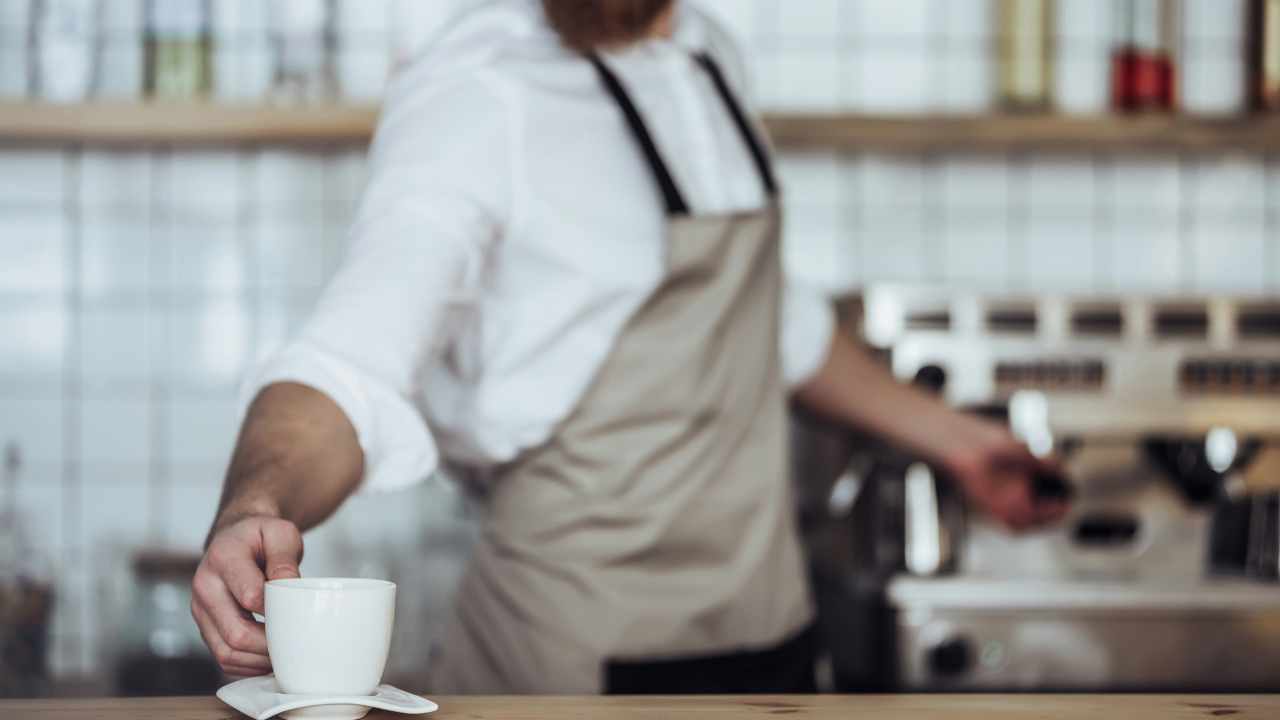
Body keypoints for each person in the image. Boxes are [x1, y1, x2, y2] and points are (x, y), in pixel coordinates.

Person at [191, 0, 1066, 695]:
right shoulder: (479, 92)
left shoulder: (711, 55)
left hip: (776, 644)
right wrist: (255, 507)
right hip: (571, 660)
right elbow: (349, 364)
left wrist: (960, 443)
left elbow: (768, 322)